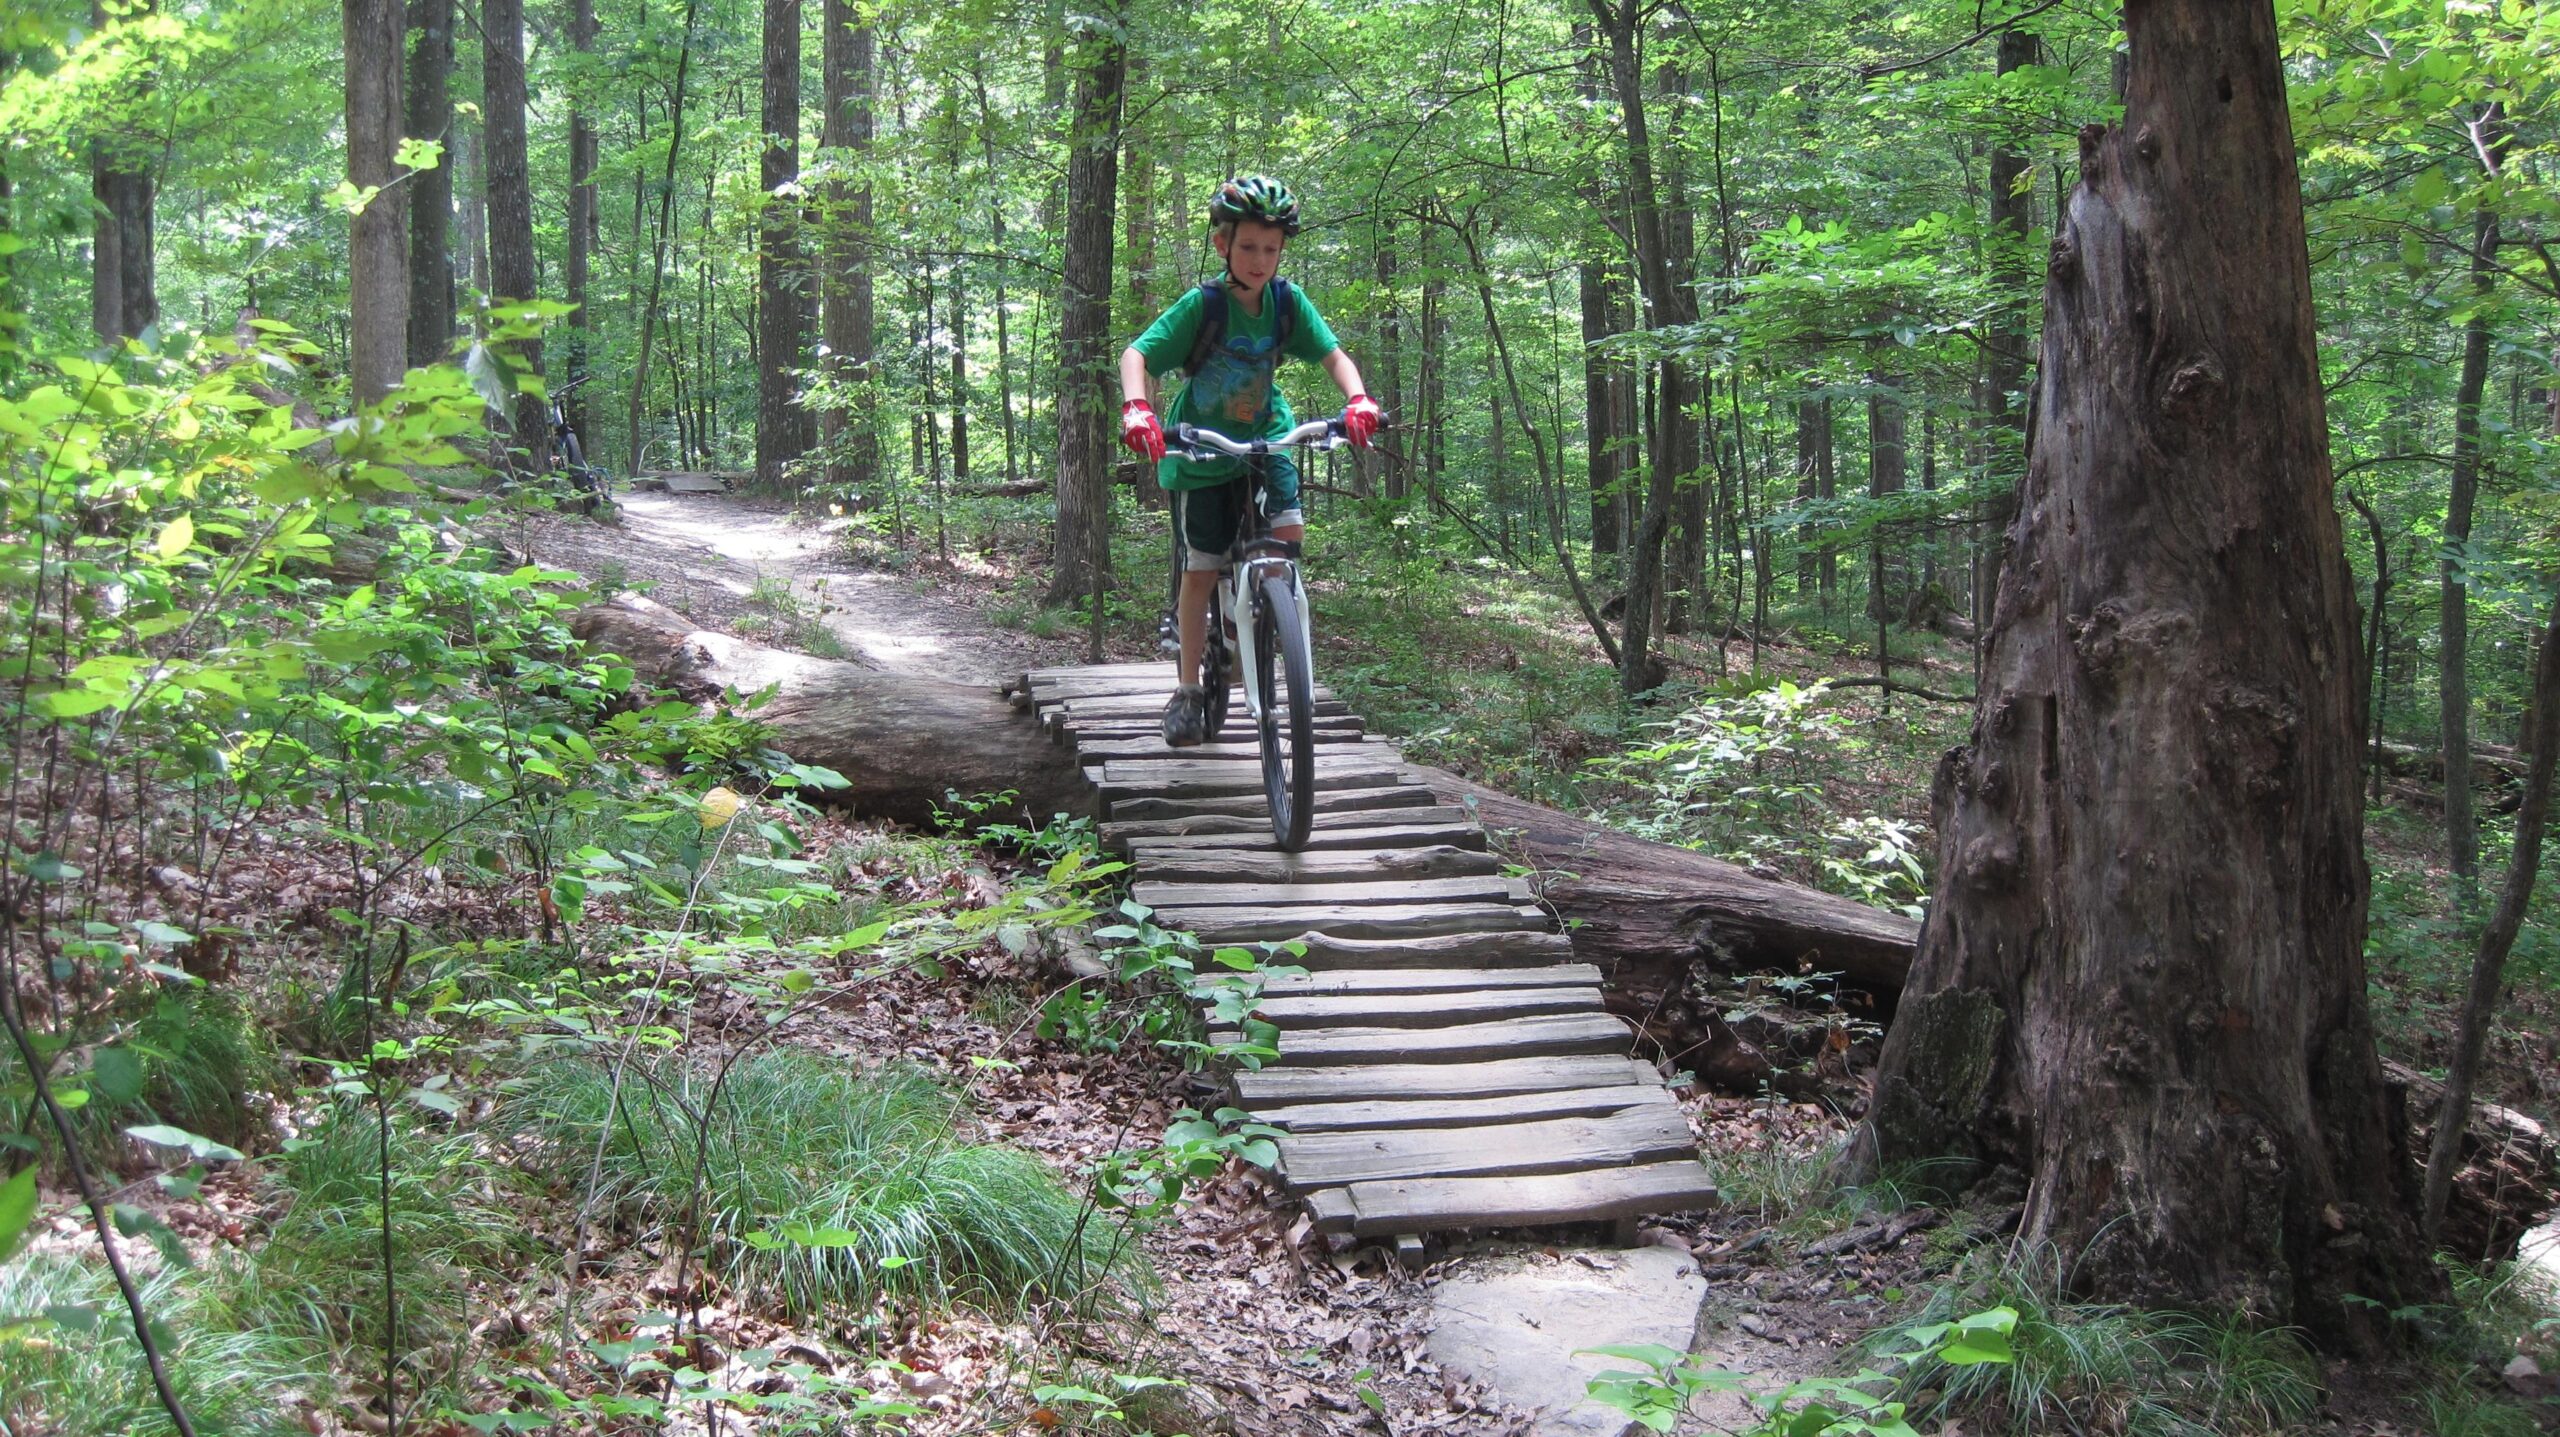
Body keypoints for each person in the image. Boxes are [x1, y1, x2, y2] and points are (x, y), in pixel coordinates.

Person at [1118, 175, 1381, 747]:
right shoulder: (1204, 306)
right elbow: (1137, 353)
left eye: (1271, 248)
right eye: (1248, 247)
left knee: (1287, 534)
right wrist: (1138, 409)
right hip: (1202, 450)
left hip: (1268, 438)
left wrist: (1358, 398)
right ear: (1223, 246)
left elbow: (1333, 355)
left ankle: (1260, 613)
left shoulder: (1287, 302)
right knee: (1201, 569)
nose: (1260, 259)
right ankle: (1188, 689)